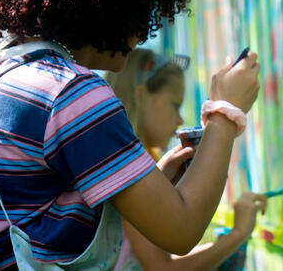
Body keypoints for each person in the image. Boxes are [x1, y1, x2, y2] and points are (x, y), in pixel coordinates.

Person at [0, 0, 260, 270]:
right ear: (105, 4)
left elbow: (41, 206)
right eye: (142, 11)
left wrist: (155, 178)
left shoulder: (0, 73)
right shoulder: (69, 93)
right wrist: (225, 114)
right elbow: (180, 230)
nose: (142, 34)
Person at [105, 49, 267, 270]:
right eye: (175, 105)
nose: (180, 119)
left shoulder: (135, 162)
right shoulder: (128, 170)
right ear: (141, 96)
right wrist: (237, 235)